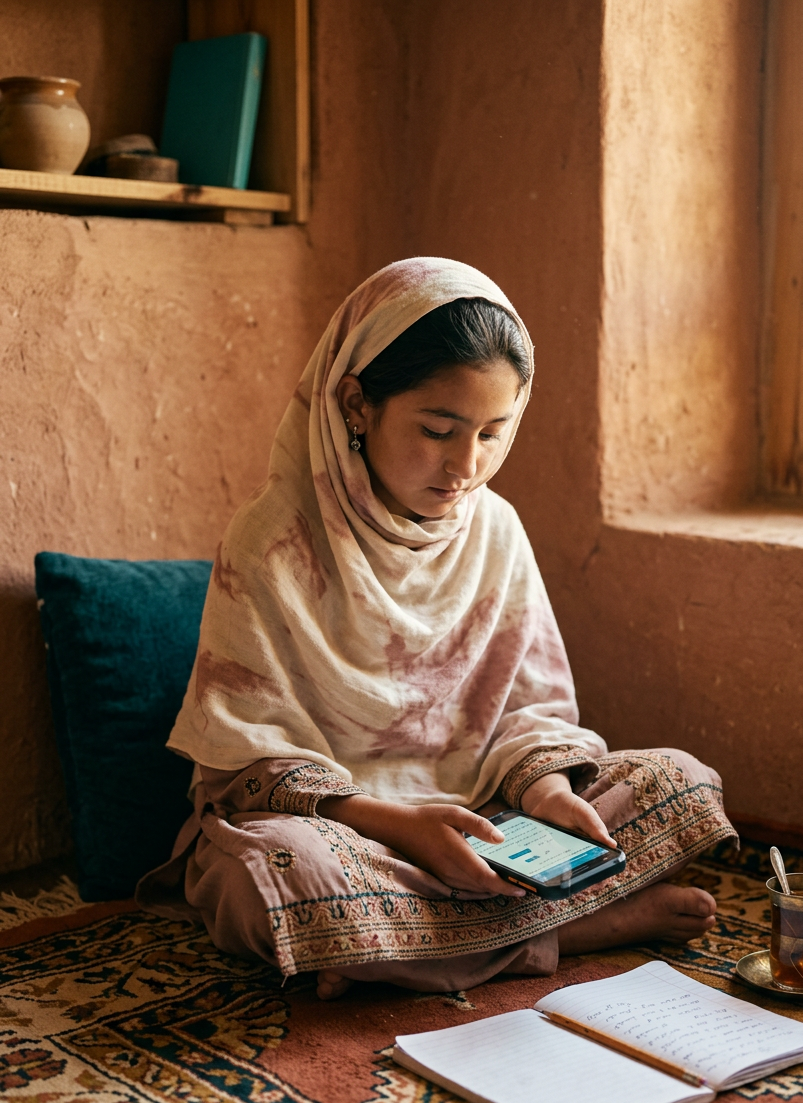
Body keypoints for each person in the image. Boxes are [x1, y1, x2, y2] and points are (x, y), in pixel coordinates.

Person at [137, 257, 736, 1000]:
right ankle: (573, 928)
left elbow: (527, 710)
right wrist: (396, 823)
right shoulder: (272, 539)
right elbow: (242, 765)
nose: (466, 466)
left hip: (487, 812)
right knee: (279, 882)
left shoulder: (496, 529)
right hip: (342, 825)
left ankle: (421, 944)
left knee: (682, 784)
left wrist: (547, 794)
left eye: (492, 433)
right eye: (439, 429)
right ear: (356, 404)